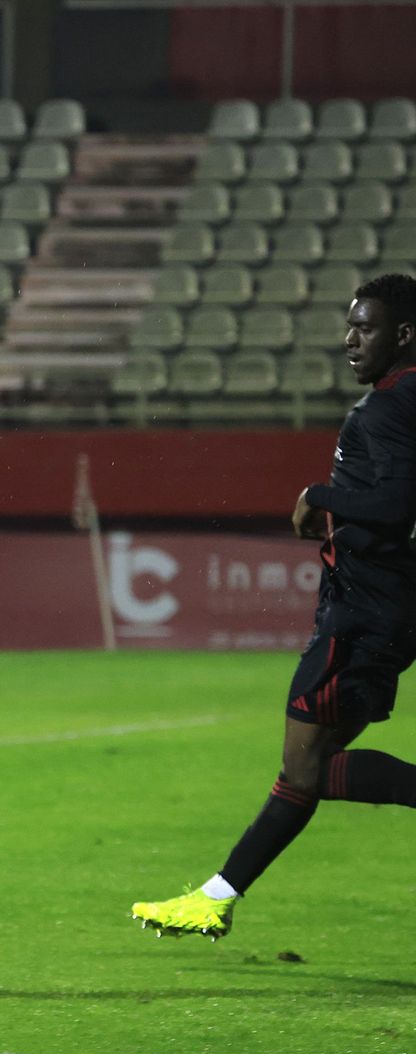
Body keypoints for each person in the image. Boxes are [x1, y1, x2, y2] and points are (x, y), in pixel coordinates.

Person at [133, 274, 416, 939]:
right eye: (349, 325)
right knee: (306, 769)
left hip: (361, 618)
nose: (350, 340)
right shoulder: (399, 401)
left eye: (365, 327)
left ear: (403, 334)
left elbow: (397, 507)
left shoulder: (390, 408)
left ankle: (215, 895)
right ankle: (216, 894)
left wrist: (321, 492)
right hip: (379, 612)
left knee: (307, 767)